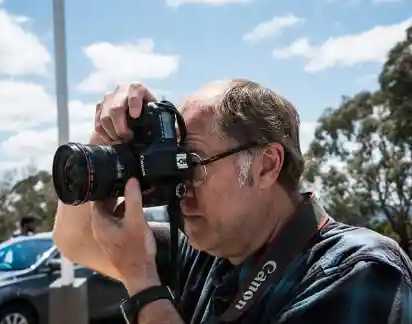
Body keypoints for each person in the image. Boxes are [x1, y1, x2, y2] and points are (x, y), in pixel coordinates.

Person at [52, 80, 412, 323]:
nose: (180, 186)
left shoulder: (359, 271)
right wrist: (105, 139)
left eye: (190, 164)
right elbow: (75, 240)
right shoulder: (207, 254)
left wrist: (144, 286)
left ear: (267, 165)